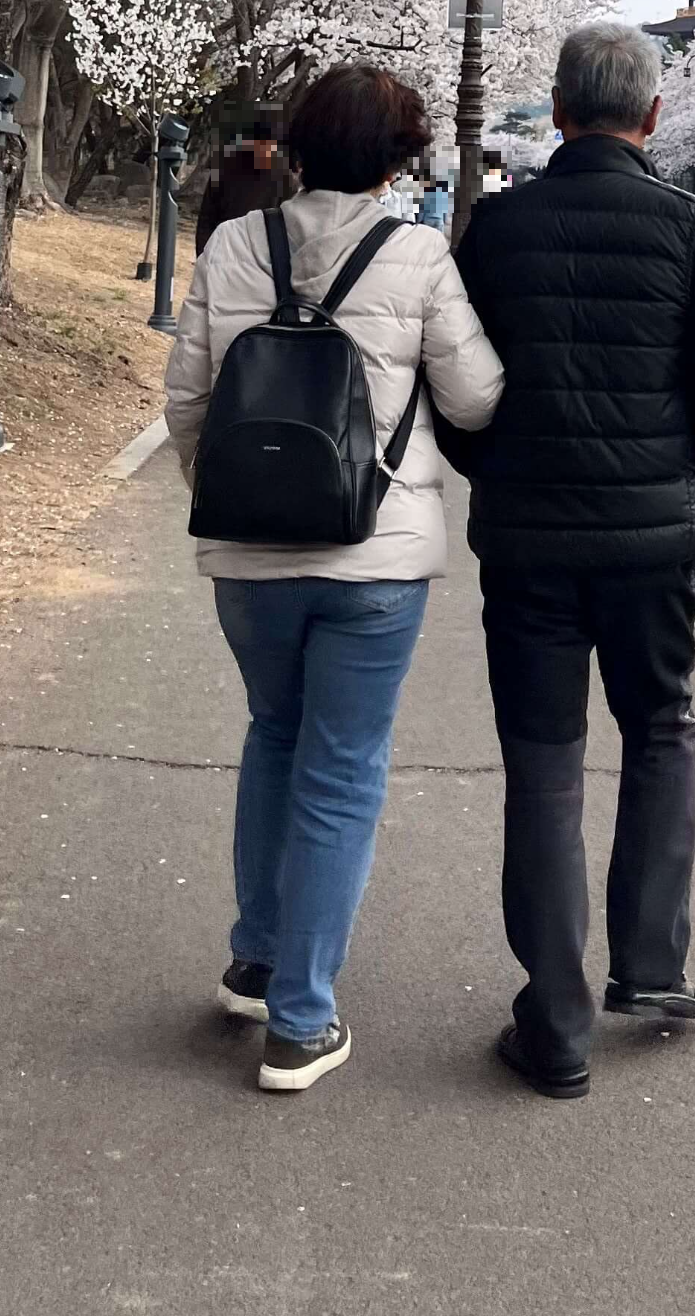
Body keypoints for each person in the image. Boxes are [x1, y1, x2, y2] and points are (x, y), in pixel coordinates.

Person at [164, 63, 503, 1095]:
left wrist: (240, 493)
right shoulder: (416, 255)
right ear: (401, 159)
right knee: (342, 768)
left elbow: (187, 402)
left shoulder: (231, 244)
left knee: (274, 734)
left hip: (248, 560)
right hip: (376, 559)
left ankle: (258, 959)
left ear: (299, 145)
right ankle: (301, 1022)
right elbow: (478, 399)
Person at [443, 20, 695, 1100]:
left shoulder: (496, 228)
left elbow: (458, 384)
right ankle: (654, 966)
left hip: (527, 536)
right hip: (652, 541)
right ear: (654, 116)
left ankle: (557, 1020)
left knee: (544, 762)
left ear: (560, 109)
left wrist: (488, 465)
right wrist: (685, 476)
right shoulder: (691, 229)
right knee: (662, 728)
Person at [194, 110, 290, 253]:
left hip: (260, 259)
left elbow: (287, 227)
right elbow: (206, 220)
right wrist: (204, 255)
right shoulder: (225, 171)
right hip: (223, 252)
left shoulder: (283, 178)